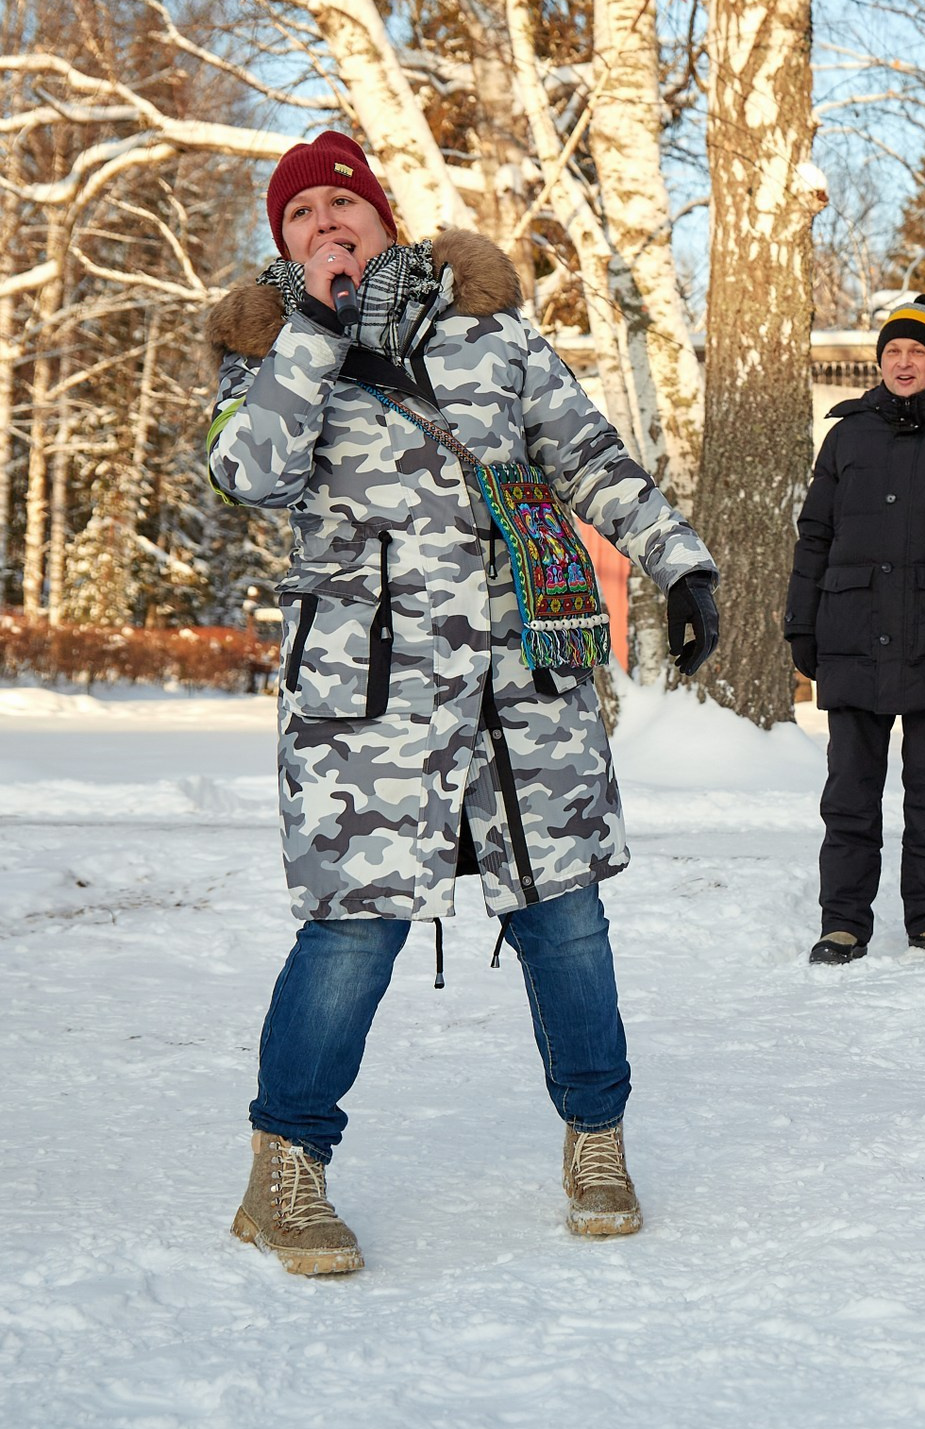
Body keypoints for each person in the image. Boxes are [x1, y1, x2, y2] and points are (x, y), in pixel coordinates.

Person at [207, 131, 718, 1276]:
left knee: (564, 915)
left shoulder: (491, 335)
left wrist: (679, 562)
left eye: (344, 204)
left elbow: (587, 456)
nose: (327, 223)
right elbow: (250, 476)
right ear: (284, 243)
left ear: (384, 220)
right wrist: (313, 333)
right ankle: (284, 1169)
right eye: (301, 215)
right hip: (367, 706)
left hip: (526, 684)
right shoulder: (266, 352)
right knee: (355, 930)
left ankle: (597, 1138)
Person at [787, 295, 925, 966]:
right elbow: (815, 536)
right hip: (853, 628)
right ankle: (843, 921)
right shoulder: (847, 435)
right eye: (893, 351)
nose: (904, 362)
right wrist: (801, 622)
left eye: (918, 351)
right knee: (849, 792)